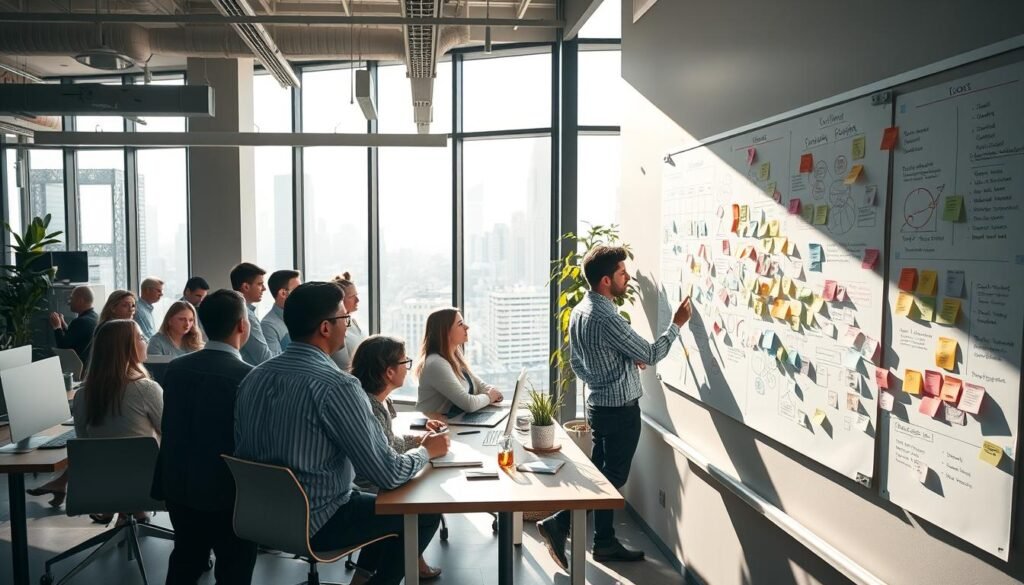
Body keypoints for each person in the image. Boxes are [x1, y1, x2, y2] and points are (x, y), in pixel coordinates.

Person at [235, 282, 449, 585]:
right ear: (325, 327)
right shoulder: (338, 387)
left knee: (374, 504)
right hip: (319, 522)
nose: (347, 327)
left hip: (259, 519)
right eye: (344, 319)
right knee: (422, 512)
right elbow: (386, 473)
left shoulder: (252, 378)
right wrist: (428, 451)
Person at [537, 246, 692, 571]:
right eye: (623, 273)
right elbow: (650, 354)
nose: (628, 277)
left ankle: (604, 543)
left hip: (599, 406)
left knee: (600, 473)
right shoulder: (608, 317)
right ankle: (558, 522)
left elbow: (578, 363)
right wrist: (677, 323)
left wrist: (616, 366)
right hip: (620, 411)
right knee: (612, 477)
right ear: (606, 280)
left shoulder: (580, 312)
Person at [153, 290, 257, 585]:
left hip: (178, 485)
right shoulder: (248, 376)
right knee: (234, 566)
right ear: (241, 325)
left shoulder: (176, 369)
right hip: (228, 492)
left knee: (185, 558)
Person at [28, 319, 162, 510]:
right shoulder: (146, 389)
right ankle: (132, 514)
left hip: (97, 486)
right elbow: (169, 431)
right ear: (126, 347)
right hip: (147, 484)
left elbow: (84, 441)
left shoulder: (82, 395)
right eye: (141, 337)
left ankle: (128, 516)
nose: (145, 341)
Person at [350, 335, 444, 583]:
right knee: (427, 512)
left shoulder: (374, 400)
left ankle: (361, 578)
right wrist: (427, 450)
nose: (408, 367)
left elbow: (387, 442)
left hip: (368, 482)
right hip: (368, 486)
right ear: (389, 372)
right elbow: (386, 461)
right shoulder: (371, 406)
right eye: (405, 362)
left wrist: (420, 440)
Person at [415, 308, 502, 416]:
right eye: (460, 324)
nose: (467, 327)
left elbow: (479, 385)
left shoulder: (454, 357)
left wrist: (493, 392)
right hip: (434, 428)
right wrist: (490, 397)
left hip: (453, 422)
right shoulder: (436, 363)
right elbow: (469, 404)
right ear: (445, 332)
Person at [230, 262, 272, 366]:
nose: (264, 288)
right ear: (246, 287)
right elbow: (264, 358)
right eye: (259, 284)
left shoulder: (228, 310)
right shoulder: (247, 316)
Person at [51, 285, 98, 363]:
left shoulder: (80, 322)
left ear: (80, 300)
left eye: (71, 298)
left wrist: (57, 327)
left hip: (79, 367)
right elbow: (74, 337)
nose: (69, 302)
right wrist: (63, 324)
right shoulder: (95, 317)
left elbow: (63, 346)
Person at [329, 272, 365, 370]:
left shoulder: (353, 322)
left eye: (356, 295)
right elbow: (343, 364)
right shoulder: (334, 330)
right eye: (352, 297)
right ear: (340, 301)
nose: (357, 300)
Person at [262, 269, 300, 356]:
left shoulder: (306, 318)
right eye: (298, 289)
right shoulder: (268, 326)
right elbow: (274, 364)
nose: (303, 293)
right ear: (283, 293)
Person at [136, 277, 165, 341]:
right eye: (158, 291)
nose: (161, 294)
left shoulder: (146, 309)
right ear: (147, 290)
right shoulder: (138, 310)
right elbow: (146, 337)